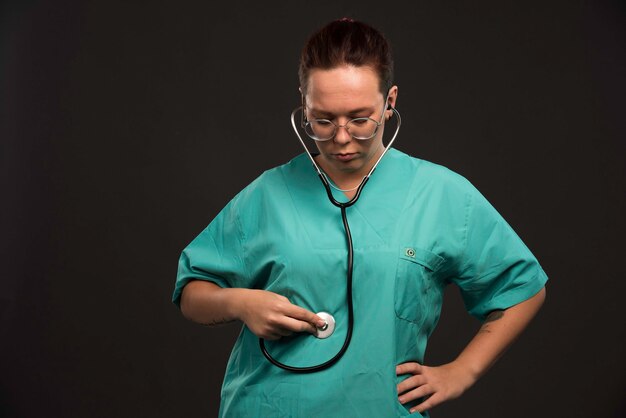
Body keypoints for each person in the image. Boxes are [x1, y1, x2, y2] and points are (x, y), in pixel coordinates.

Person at [173, 18, 547, 417]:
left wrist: (463, 371)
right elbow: (192, 292)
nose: (341, 137)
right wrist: (241, 302)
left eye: (359, 118)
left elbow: (522, 286)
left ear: (390, 102)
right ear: (304, 104)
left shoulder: (440, 193)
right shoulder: (270, 193)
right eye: (322, 119)